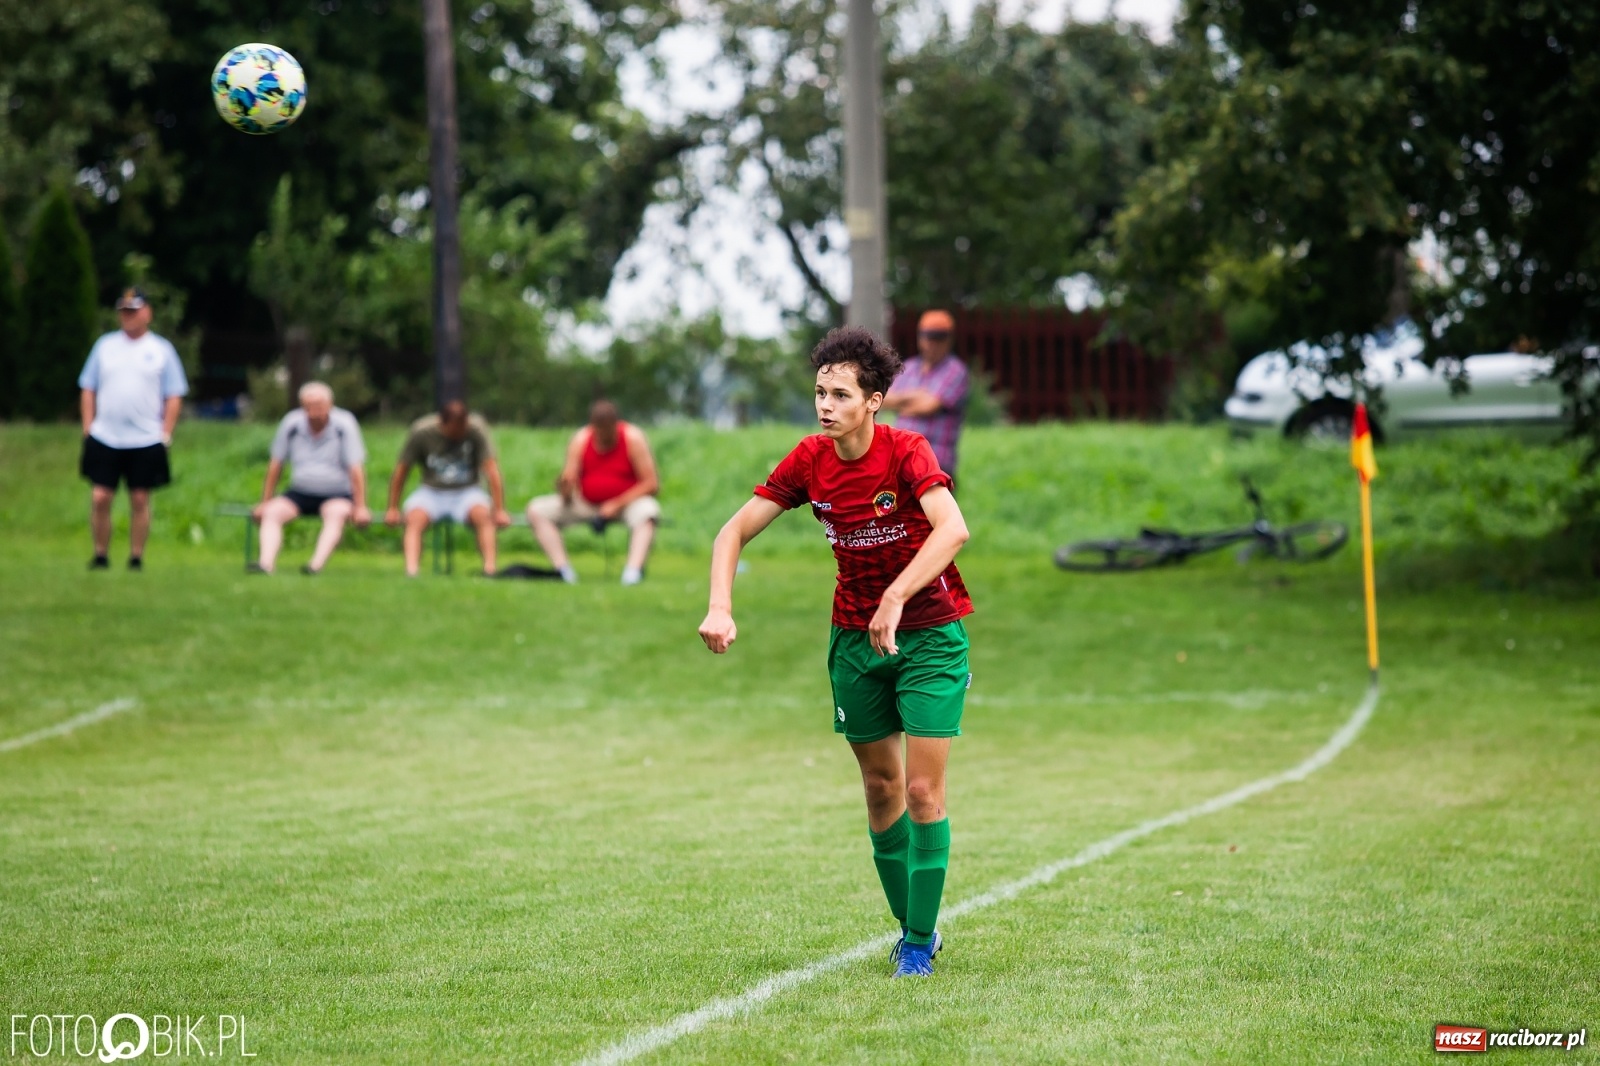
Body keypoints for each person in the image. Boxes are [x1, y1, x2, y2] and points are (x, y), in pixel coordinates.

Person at [698, 327, 973, 979]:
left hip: (929, 633)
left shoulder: (907, 451)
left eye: (841, 393)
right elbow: (731, 532)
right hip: (854, 640)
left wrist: (898, 595)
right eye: (820, 392)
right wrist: (719, 605)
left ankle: (916, 941)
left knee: (922, 789)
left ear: (874, 400)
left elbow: (953, 529)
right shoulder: (809, 461)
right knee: (881, 790)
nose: (826, 404)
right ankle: (915, 929)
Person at [77, 287, 189, 571]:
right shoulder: (105, 346)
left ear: (147, 313)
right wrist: (88, 426)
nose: (128, 316)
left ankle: (136, 556)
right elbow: (88, 387)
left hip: (145, 437)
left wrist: (166, 431)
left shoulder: (160, 349)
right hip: (106, 435)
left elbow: (174, 393)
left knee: (140, 497)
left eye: (134, 311)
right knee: (100, 496)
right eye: (124, 311)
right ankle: (101, 553)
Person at [525, 400, 661, 586]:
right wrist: (565, 487)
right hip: (586, 503)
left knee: (649, 511)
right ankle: (563, 571)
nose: (604, 435)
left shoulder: (633, 438)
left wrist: (617, 504)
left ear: (616, 424)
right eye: (600, 430)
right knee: (536, 509)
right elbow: (569, 481)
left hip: (626, 504)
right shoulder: (580, 440)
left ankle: (632, 573)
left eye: (608, 430)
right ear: (592, 426)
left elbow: (652, 484)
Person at [250, 382, 371, 574]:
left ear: (330, 404)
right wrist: (265, 501)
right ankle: (266, 563)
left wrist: (361, 506)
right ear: (302, 406)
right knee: (271, 513)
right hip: (300, 491)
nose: (314, 411)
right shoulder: (292, 423)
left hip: (337, 493)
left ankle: (315, 565)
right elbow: (276, 464)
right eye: (309, 406)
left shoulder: (344, 424)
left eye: (319, 405)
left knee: (336, 515)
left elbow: (355, 468)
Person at [384, 400, 511, 576]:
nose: (459, 434)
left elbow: (492, 470)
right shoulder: (422, 431)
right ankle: (412, 571)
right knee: (414, 518)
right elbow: (401, 471)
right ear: (442, 424)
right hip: (431, 490)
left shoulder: (476, 430)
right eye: (454, 431)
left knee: (483, 515)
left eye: (462, 429)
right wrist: (392, 508)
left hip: (468, 490)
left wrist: (499, 509)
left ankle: (490, 569)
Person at [883, 309, 970, 481]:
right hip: (900, 461)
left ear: (949, 340)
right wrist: (917, 396)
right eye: (929, 337)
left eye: (939, 338)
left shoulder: (956, 371)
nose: (933, 343)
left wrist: (900, 403)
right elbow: (883, 399)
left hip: (935, 463)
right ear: (920, 338)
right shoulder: (908, 368)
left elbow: (929, 406)